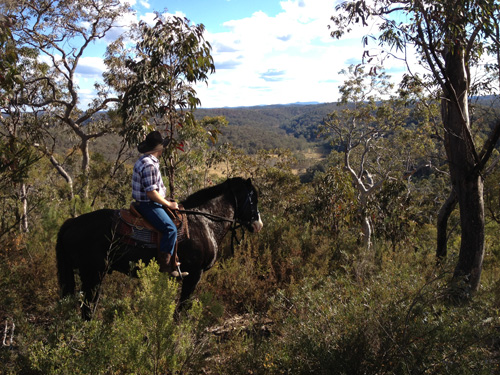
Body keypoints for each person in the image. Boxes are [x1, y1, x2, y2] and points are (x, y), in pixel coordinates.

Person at [132, 131, 187, 277]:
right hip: (148, 204)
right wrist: (169, 204)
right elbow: (151, 193)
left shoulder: (145, 160)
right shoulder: (149, 165)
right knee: (170, 229)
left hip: (151, 202)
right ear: (159, 149)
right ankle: (166, 266)